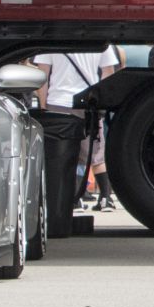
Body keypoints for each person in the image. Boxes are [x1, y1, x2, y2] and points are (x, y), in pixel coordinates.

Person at [34, 46, 121, 209]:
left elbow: (42, 75)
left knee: (64, 153)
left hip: (58, 101)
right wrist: (100, 98)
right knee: (95, 154)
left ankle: (73, 198)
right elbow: (108, 72)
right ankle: (105, 197)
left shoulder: (50, 42)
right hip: (89, 103)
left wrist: (43, 104)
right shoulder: (100, 41)